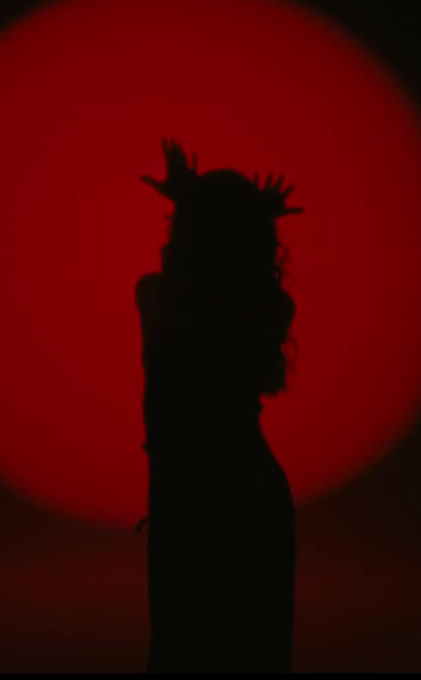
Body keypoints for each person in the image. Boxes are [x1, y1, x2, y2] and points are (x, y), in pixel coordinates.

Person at [136, 138, 302, 673]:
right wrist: (240, 218)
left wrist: (190, 205)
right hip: (249, 495)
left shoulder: (159, 298)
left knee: (182, 650)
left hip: (191, 501)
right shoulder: (270, 307)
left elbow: (179, 287)